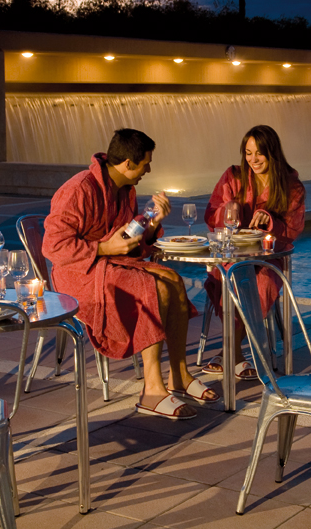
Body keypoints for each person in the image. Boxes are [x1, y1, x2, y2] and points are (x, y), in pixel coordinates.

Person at [43, 128, 217, 421]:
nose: (148, 170)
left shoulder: (125, 189)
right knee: (152, 287)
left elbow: (127, 238)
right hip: (79, 273)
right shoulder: (78, 190)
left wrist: (151, 222)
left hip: (111, 264)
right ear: (127, 164)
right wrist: (102, 247)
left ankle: (179, 374)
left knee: (173, 281)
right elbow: (53, 246)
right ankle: (152, 390)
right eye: (145, 164)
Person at [202, 125, 306, 380]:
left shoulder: (292, 187)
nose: (253, 159)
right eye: (248, 153)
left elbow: (292, 231)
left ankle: (230, 352)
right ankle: (236, 354)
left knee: (258, 283)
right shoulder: (233, 177)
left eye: (260, 153)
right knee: (229, 276)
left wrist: (270, 220)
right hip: (233, 254)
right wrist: (230, 208)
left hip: (268, 258)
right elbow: (212, 212)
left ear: (273, 153)